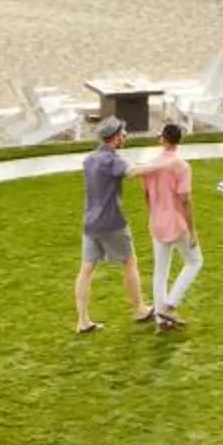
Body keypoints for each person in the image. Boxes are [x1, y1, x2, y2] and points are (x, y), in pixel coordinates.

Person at [75, 117, 145, 333]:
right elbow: (132, 172)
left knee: (86, 270)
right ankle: (140, 309)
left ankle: (82, 321)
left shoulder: (89, 160)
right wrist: (159, 165)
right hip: (112, 222)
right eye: (123, 134)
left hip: (90, 223)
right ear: (115, 138)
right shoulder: (112, 160)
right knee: (129, 262)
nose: (125, 137)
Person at [142, 122, 202, 332]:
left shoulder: (150, 166)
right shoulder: (181, 167)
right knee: (195, 261)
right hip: (177, 222)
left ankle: (161, 320)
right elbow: (185, 200)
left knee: (160, 272)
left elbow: (147, 196)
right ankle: (170, 305)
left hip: (157, 222)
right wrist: (193, 230)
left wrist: (153, 214)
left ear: (163, 139)